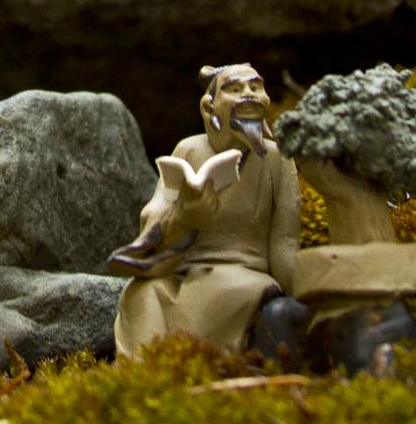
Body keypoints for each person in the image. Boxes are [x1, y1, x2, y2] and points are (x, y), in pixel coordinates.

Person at [109, 63, 302, 357]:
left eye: (256, 87)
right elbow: (153, 214)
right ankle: (147, 379)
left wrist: (300, 292)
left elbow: (285, 242)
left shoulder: (277, 161)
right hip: (184, 272)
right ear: (209, 107)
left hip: (243, 275)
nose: (248, 95)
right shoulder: (188, 150)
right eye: (234, 90)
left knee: (226, 292)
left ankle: (192, 366)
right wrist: (185, 217)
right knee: (141, 293)